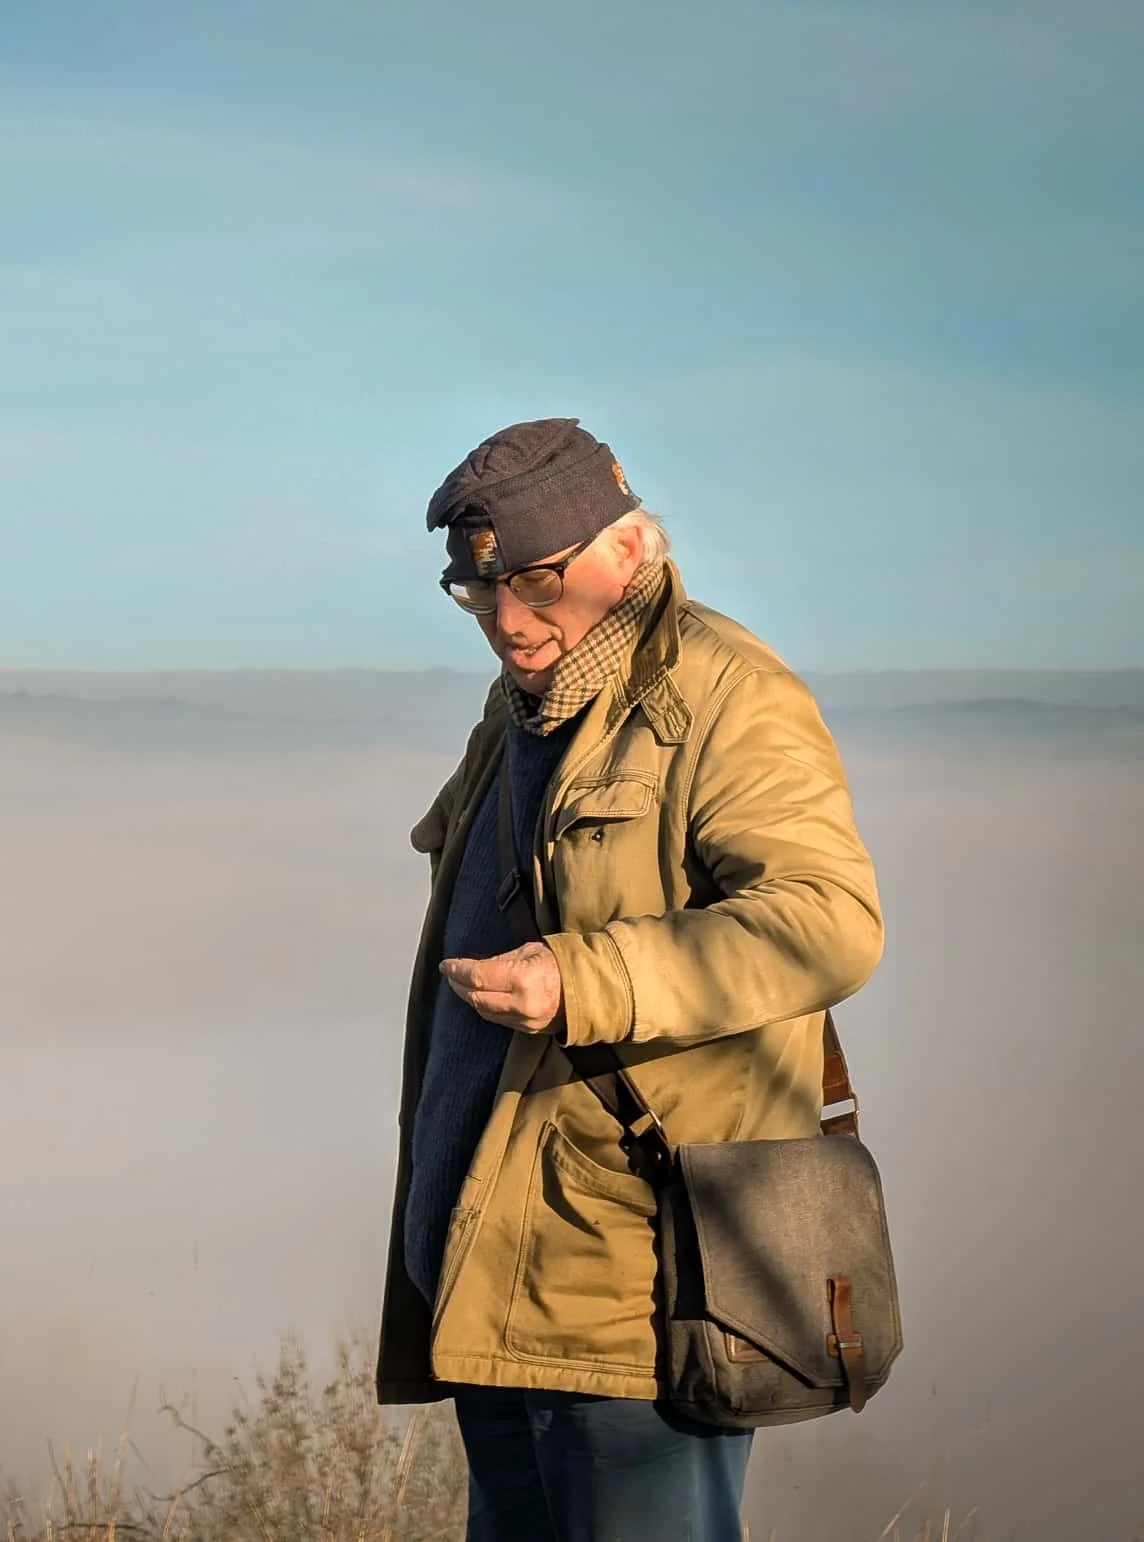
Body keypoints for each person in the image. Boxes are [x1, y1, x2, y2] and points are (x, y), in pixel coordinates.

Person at [374, 418, 885, 1542]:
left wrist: (584, 980)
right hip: (491, 1274)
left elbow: (829, 924)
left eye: (538, 582)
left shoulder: (724, 694)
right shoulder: (521, 709)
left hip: (634, 1291)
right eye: (477, 591)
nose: (508, 620)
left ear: (631, 549)